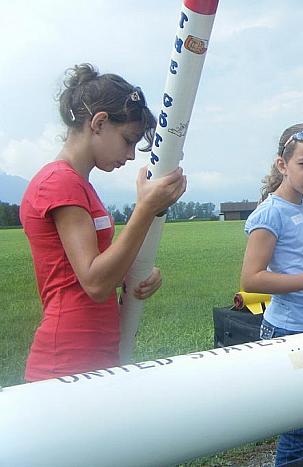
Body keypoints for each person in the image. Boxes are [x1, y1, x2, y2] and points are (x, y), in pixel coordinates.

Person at [20, 64, 187, 382]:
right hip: (67, 360)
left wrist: (134, 272)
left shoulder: (79, 184)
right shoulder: (59, 183)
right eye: (128, 140)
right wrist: (145, 209)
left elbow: (84, 268)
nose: (129, 155)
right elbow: (95, 283)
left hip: (93, 350)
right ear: (99, 122)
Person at [240, 123, 303, 465]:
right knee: (298, 426)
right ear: (282, 164)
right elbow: (251, 279)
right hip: (288, 331)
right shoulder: (270, 214)